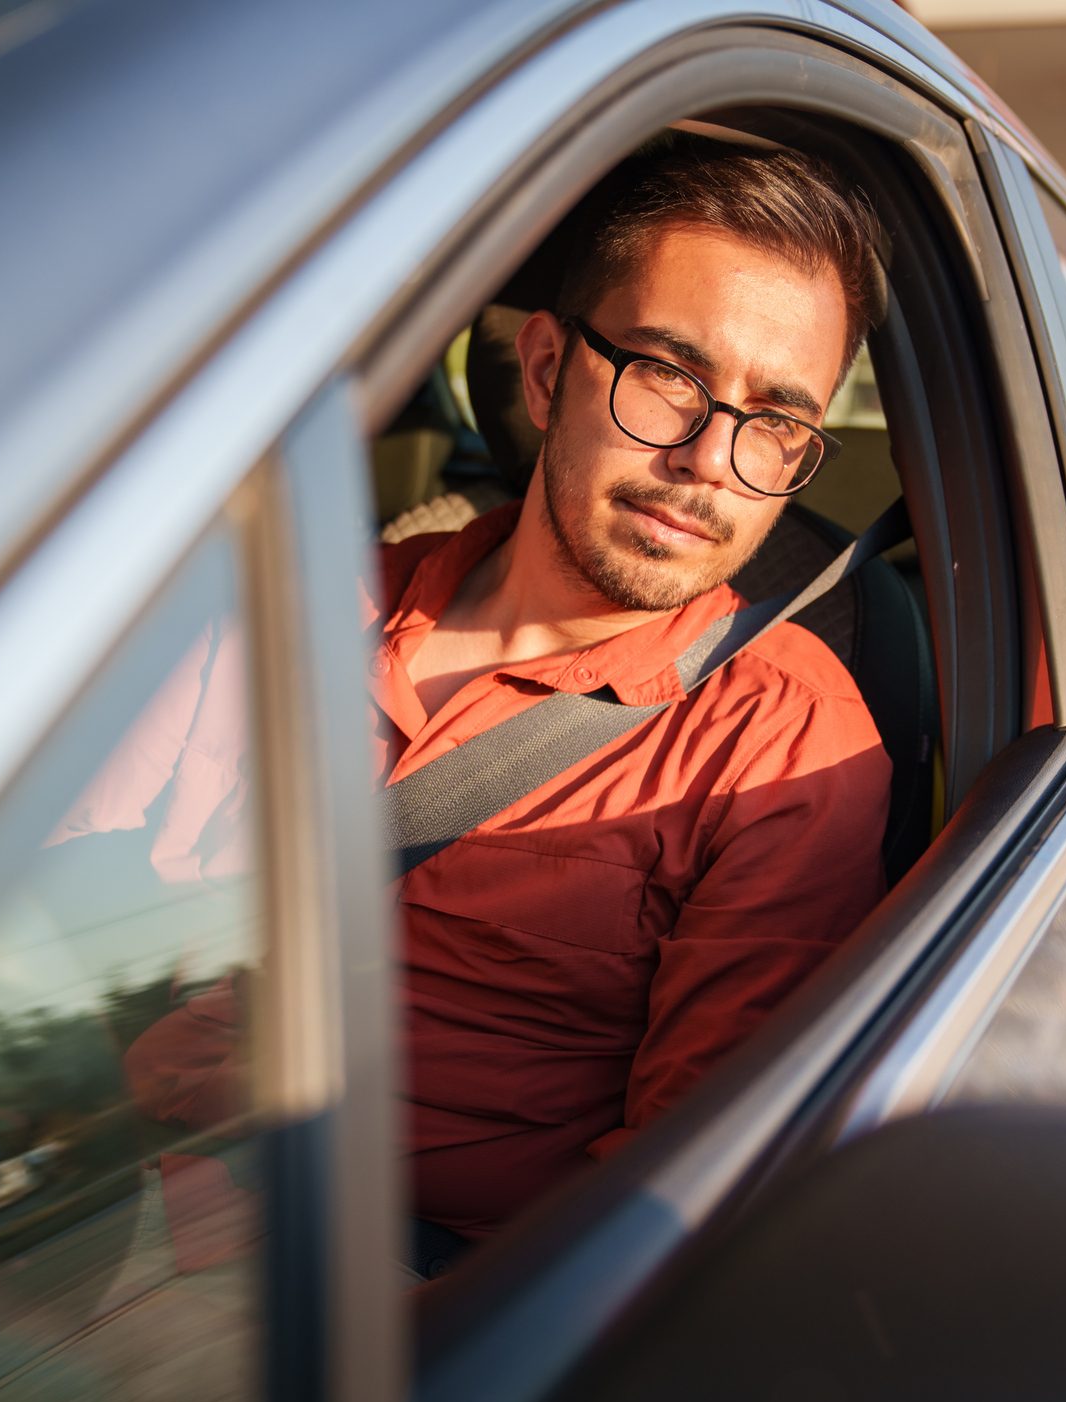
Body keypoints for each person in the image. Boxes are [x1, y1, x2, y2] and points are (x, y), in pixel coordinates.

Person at [120, 134, 893, 1245]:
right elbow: (35, 895)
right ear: (544, 372)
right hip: (82, 1193)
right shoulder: (291, 608)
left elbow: (670, 1209)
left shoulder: (782, 744)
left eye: (774, 421)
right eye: (669, 378)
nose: (710, 460)